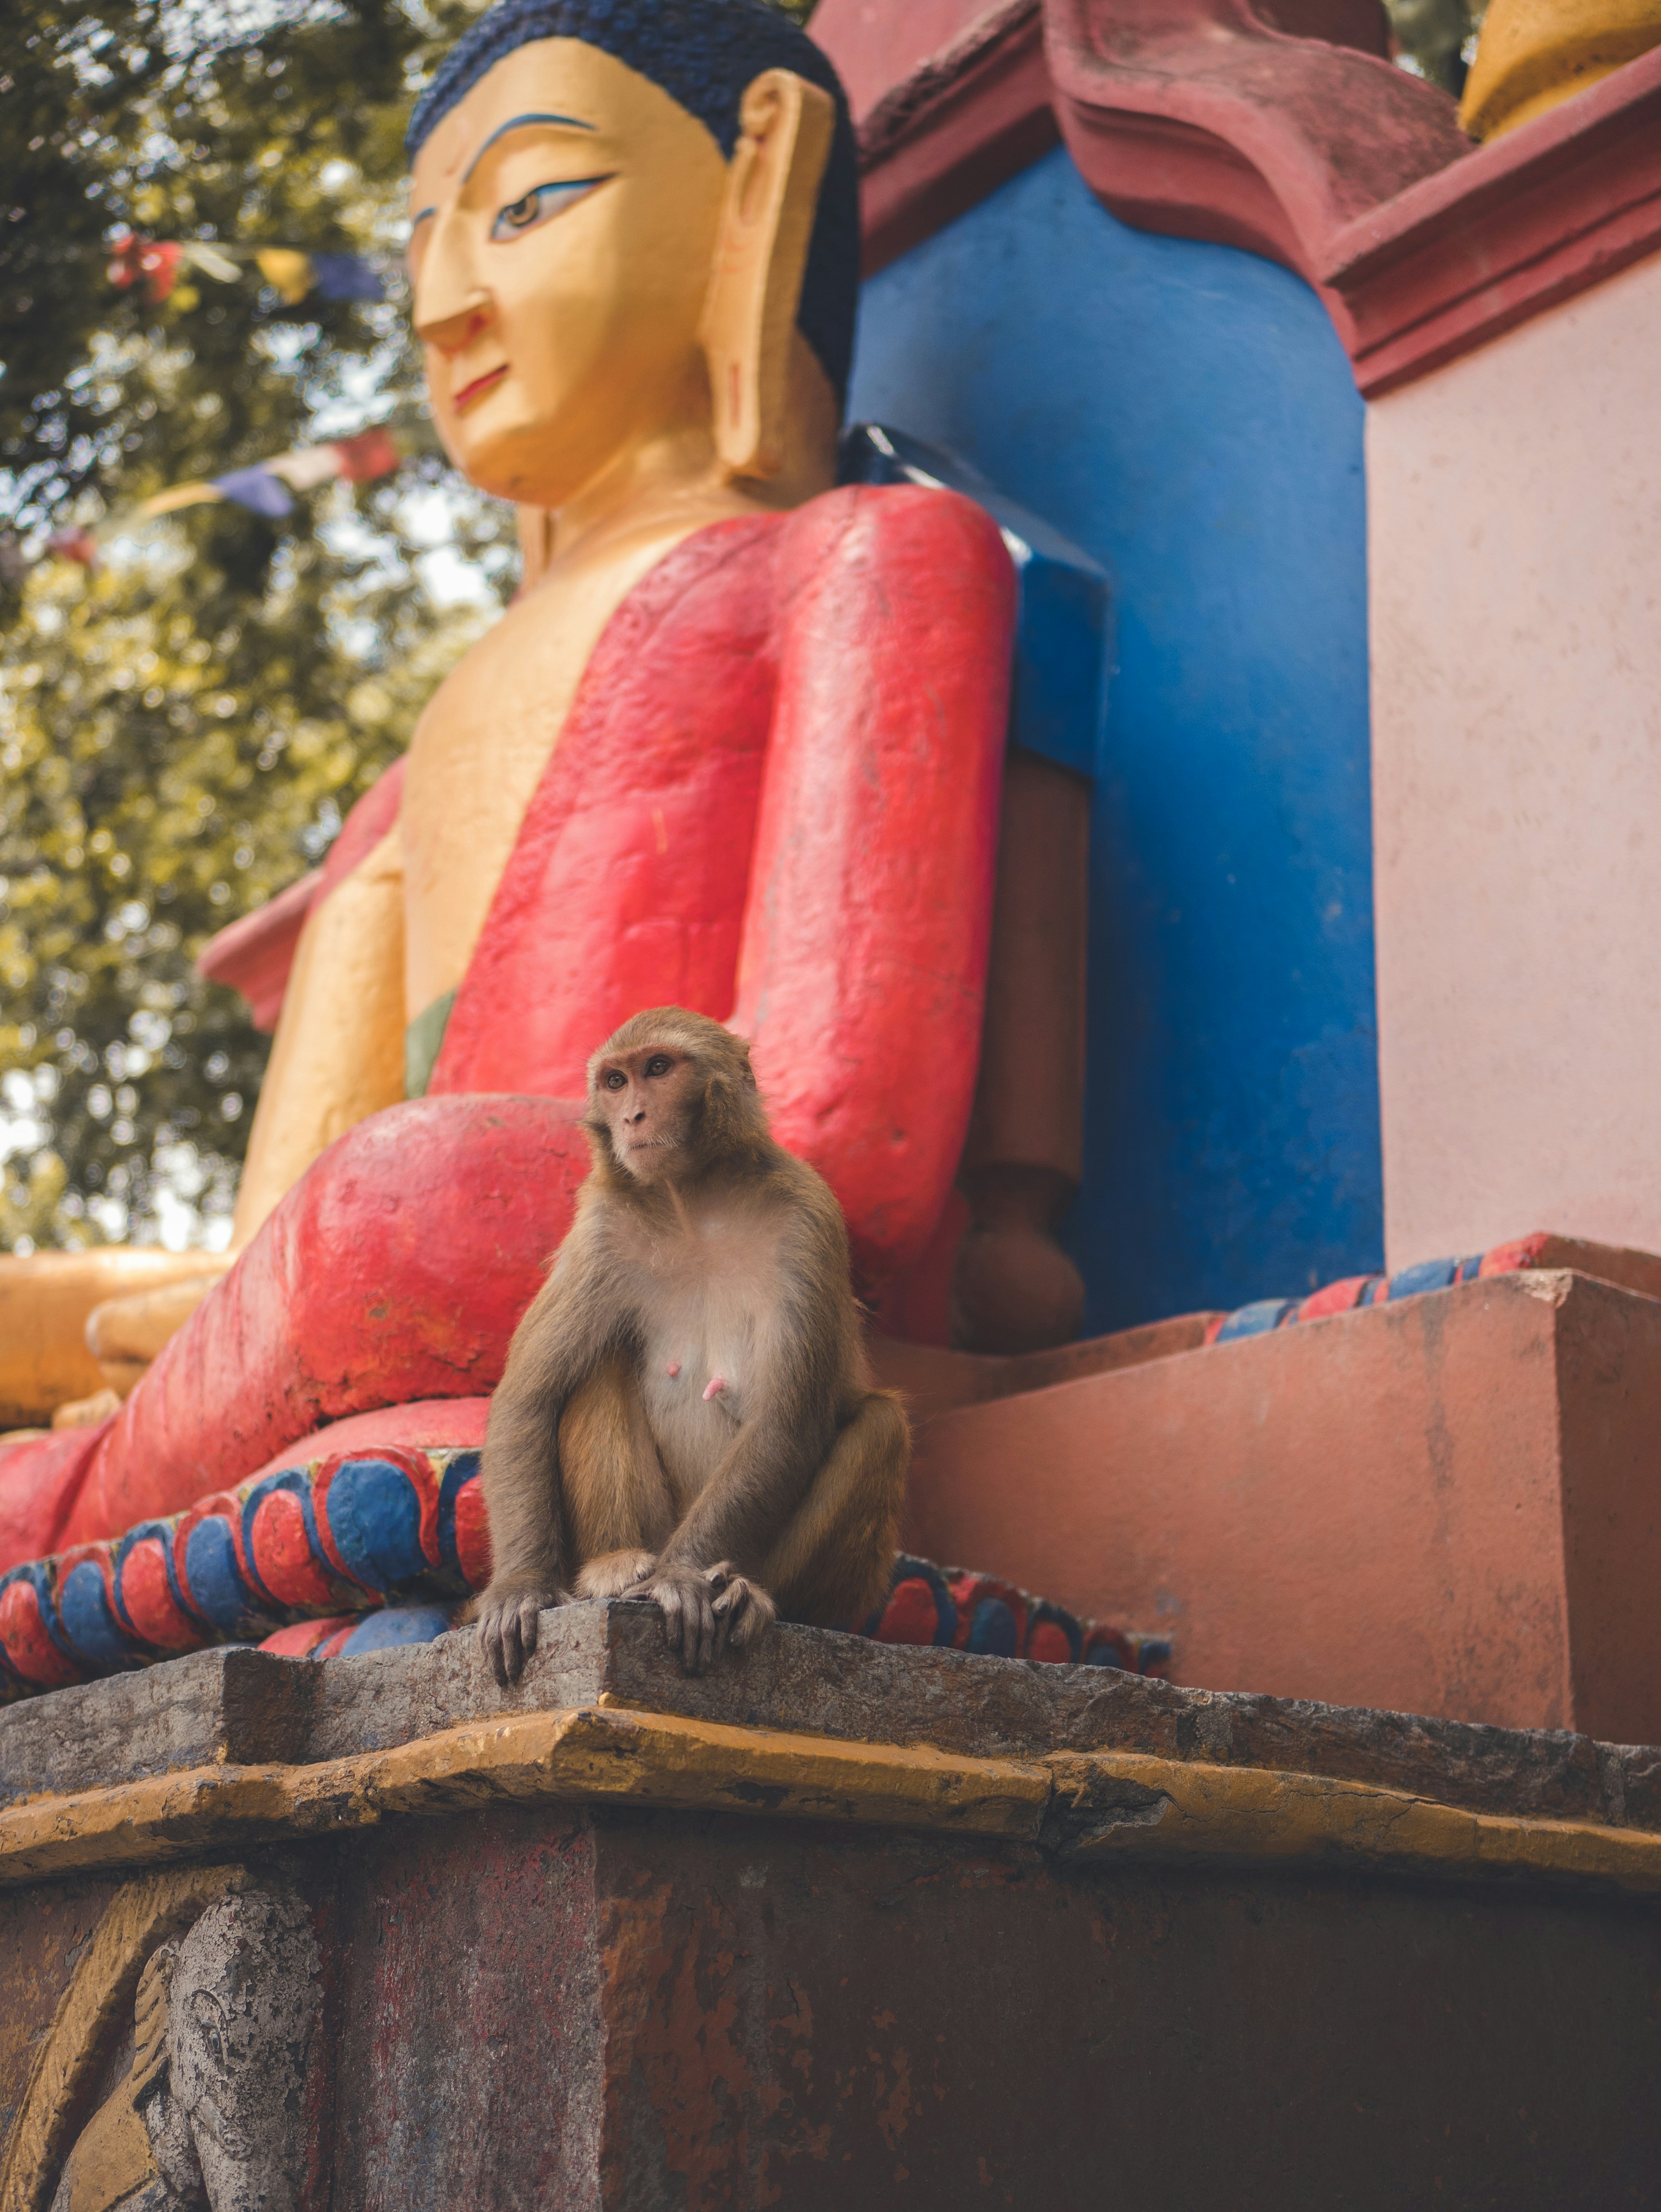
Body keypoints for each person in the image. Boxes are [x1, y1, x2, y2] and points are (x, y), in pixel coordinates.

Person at [0, 0, 1055, 1569]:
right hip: (402, 1280)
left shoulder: (864, 559)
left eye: (529, 204)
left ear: (755, 186)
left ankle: (68, 1517)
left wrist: (372, 1245)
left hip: (674, 1286)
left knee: (399, 1204)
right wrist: (226, 1303)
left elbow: (856, 1149)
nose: (442, 307)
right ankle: (95, 1500)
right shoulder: (423, 757)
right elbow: (267, 1246)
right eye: (420, 245)